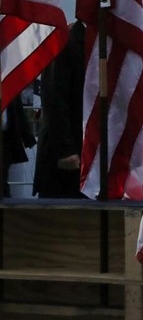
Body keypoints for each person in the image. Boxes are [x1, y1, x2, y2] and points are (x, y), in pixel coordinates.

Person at [34, 20, 86, 199]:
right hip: (65, 160)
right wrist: (65, 149)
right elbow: (54, 97)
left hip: (90, 159)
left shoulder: (99, 44)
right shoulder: (66, 41)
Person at [2, 92, 36, 198]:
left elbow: (18, 111)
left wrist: (27, 138)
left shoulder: (8, 81)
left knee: (2, 177)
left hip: (5, 139)